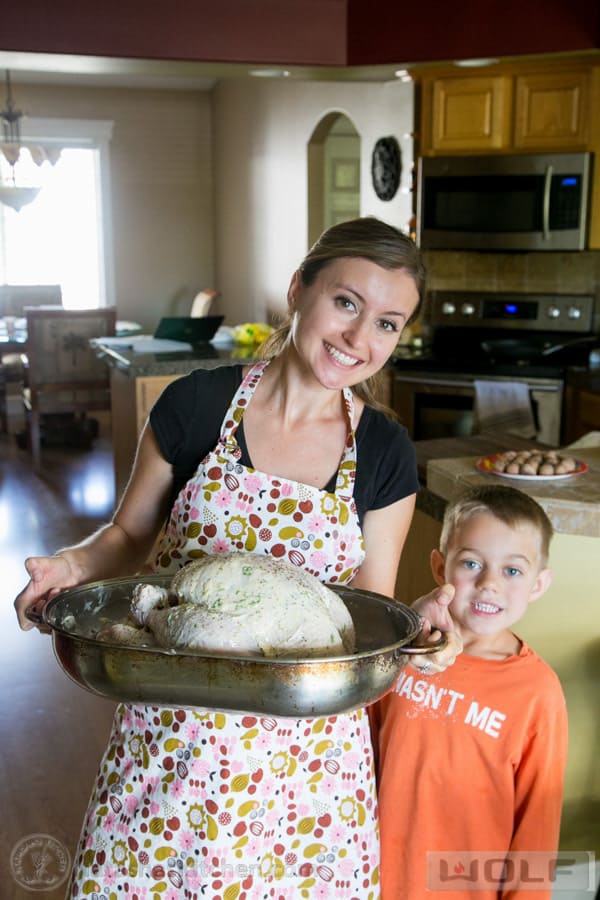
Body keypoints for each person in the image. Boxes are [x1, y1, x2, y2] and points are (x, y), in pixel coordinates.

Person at [15, 216, 460, 899]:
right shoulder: (196, 405)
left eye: (387, 323)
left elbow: (371, 615)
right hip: (175, 737)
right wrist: (73, 565)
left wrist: (416, 624)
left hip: (307, 771)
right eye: (347, 302)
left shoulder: (383, 452)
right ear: (298, 290)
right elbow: (128, 535)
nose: (358, 338)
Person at [370, 484, 568, 900]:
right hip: (370, 877)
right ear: (441, 568)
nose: (489, 584)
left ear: (538, 583)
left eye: (512, 571)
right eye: (472, 564)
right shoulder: (406, 650)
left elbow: (537, 825)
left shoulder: (538, 693)